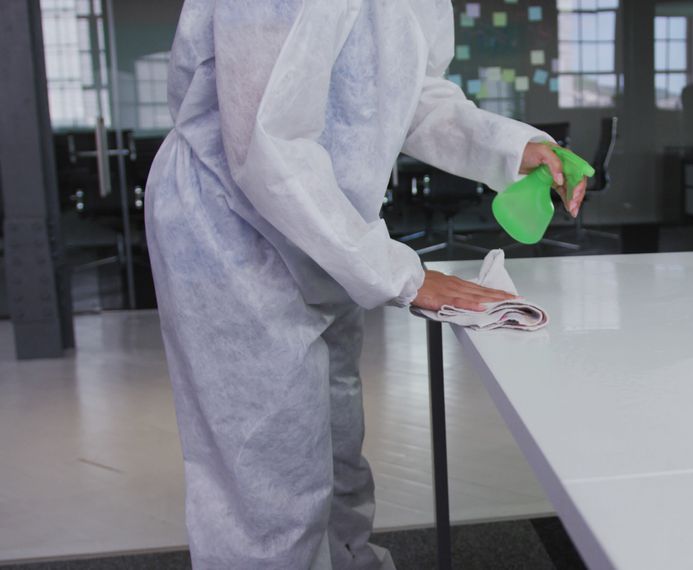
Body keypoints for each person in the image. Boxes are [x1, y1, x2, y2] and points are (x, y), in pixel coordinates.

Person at [145, 1, 588, 568]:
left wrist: (509, 146)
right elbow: (267, 142)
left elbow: (413, 94)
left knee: (336, 459)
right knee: (269, 489)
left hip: (327, 230)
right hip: (232, 231)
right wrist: (403, 274)